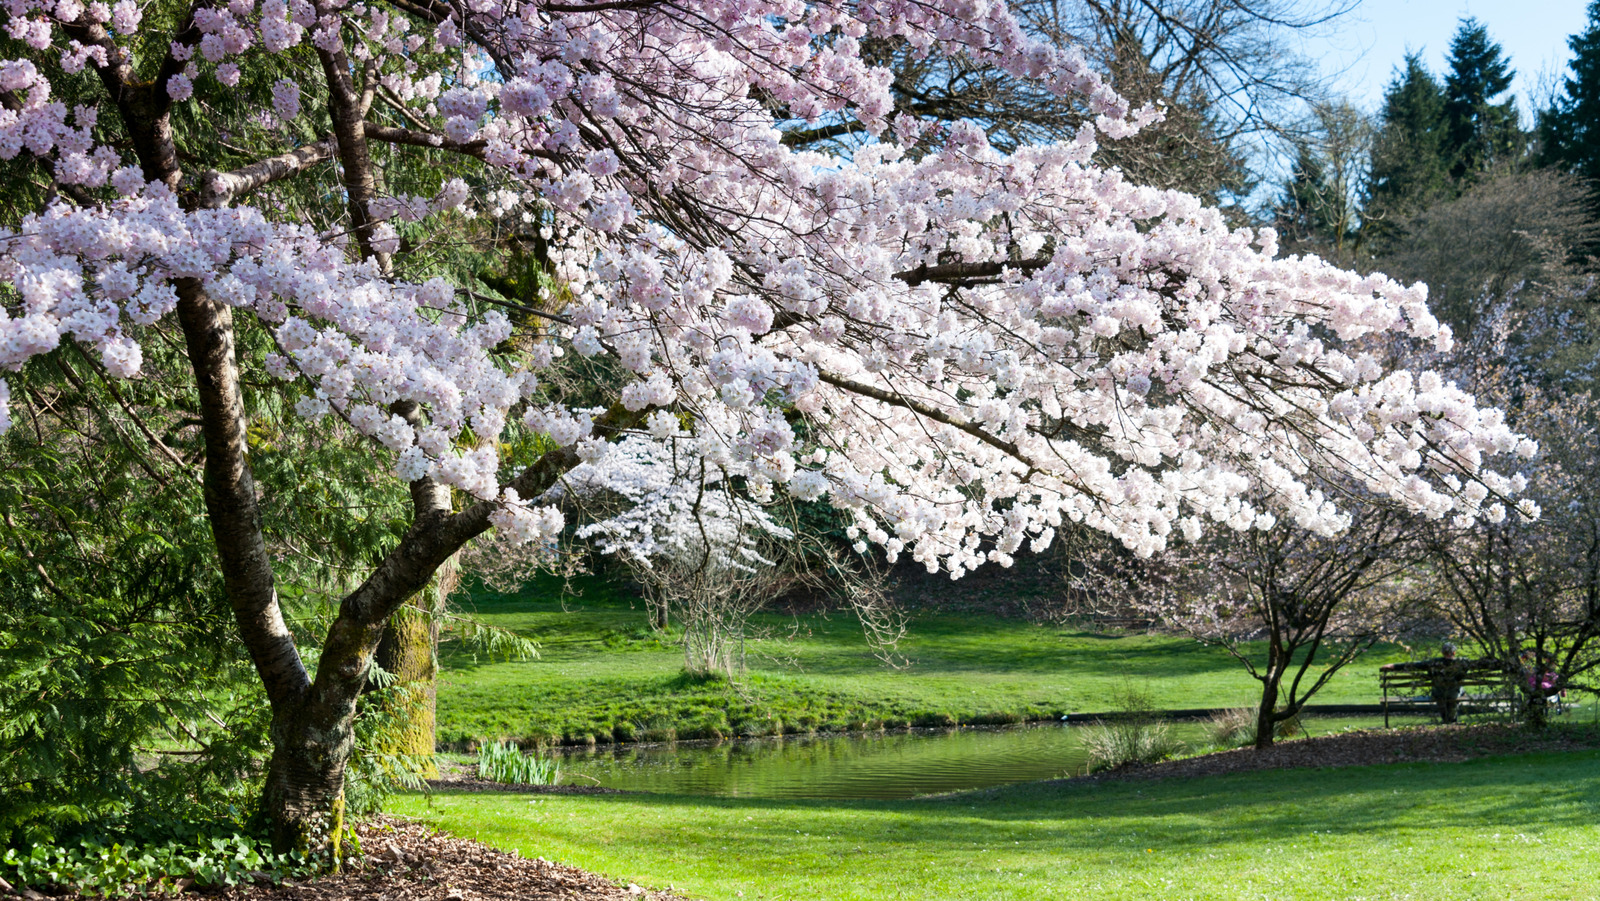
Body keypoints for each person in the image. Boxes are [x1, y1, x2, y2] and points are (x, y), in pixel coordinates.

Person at [1381, 642, 1473, 724]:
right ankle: (1452, 720)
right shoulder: (1462, 662)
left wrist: (1394, 666)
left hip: (1439, 693)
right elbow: (1478, 664)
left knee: (1441, 692)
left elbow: (1415, 666)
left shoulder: (1433, 663)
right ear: (1454, 652)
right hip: (1454, 694)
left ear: (1442, 652)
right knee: (1457, 691)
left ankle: (1446, 719)